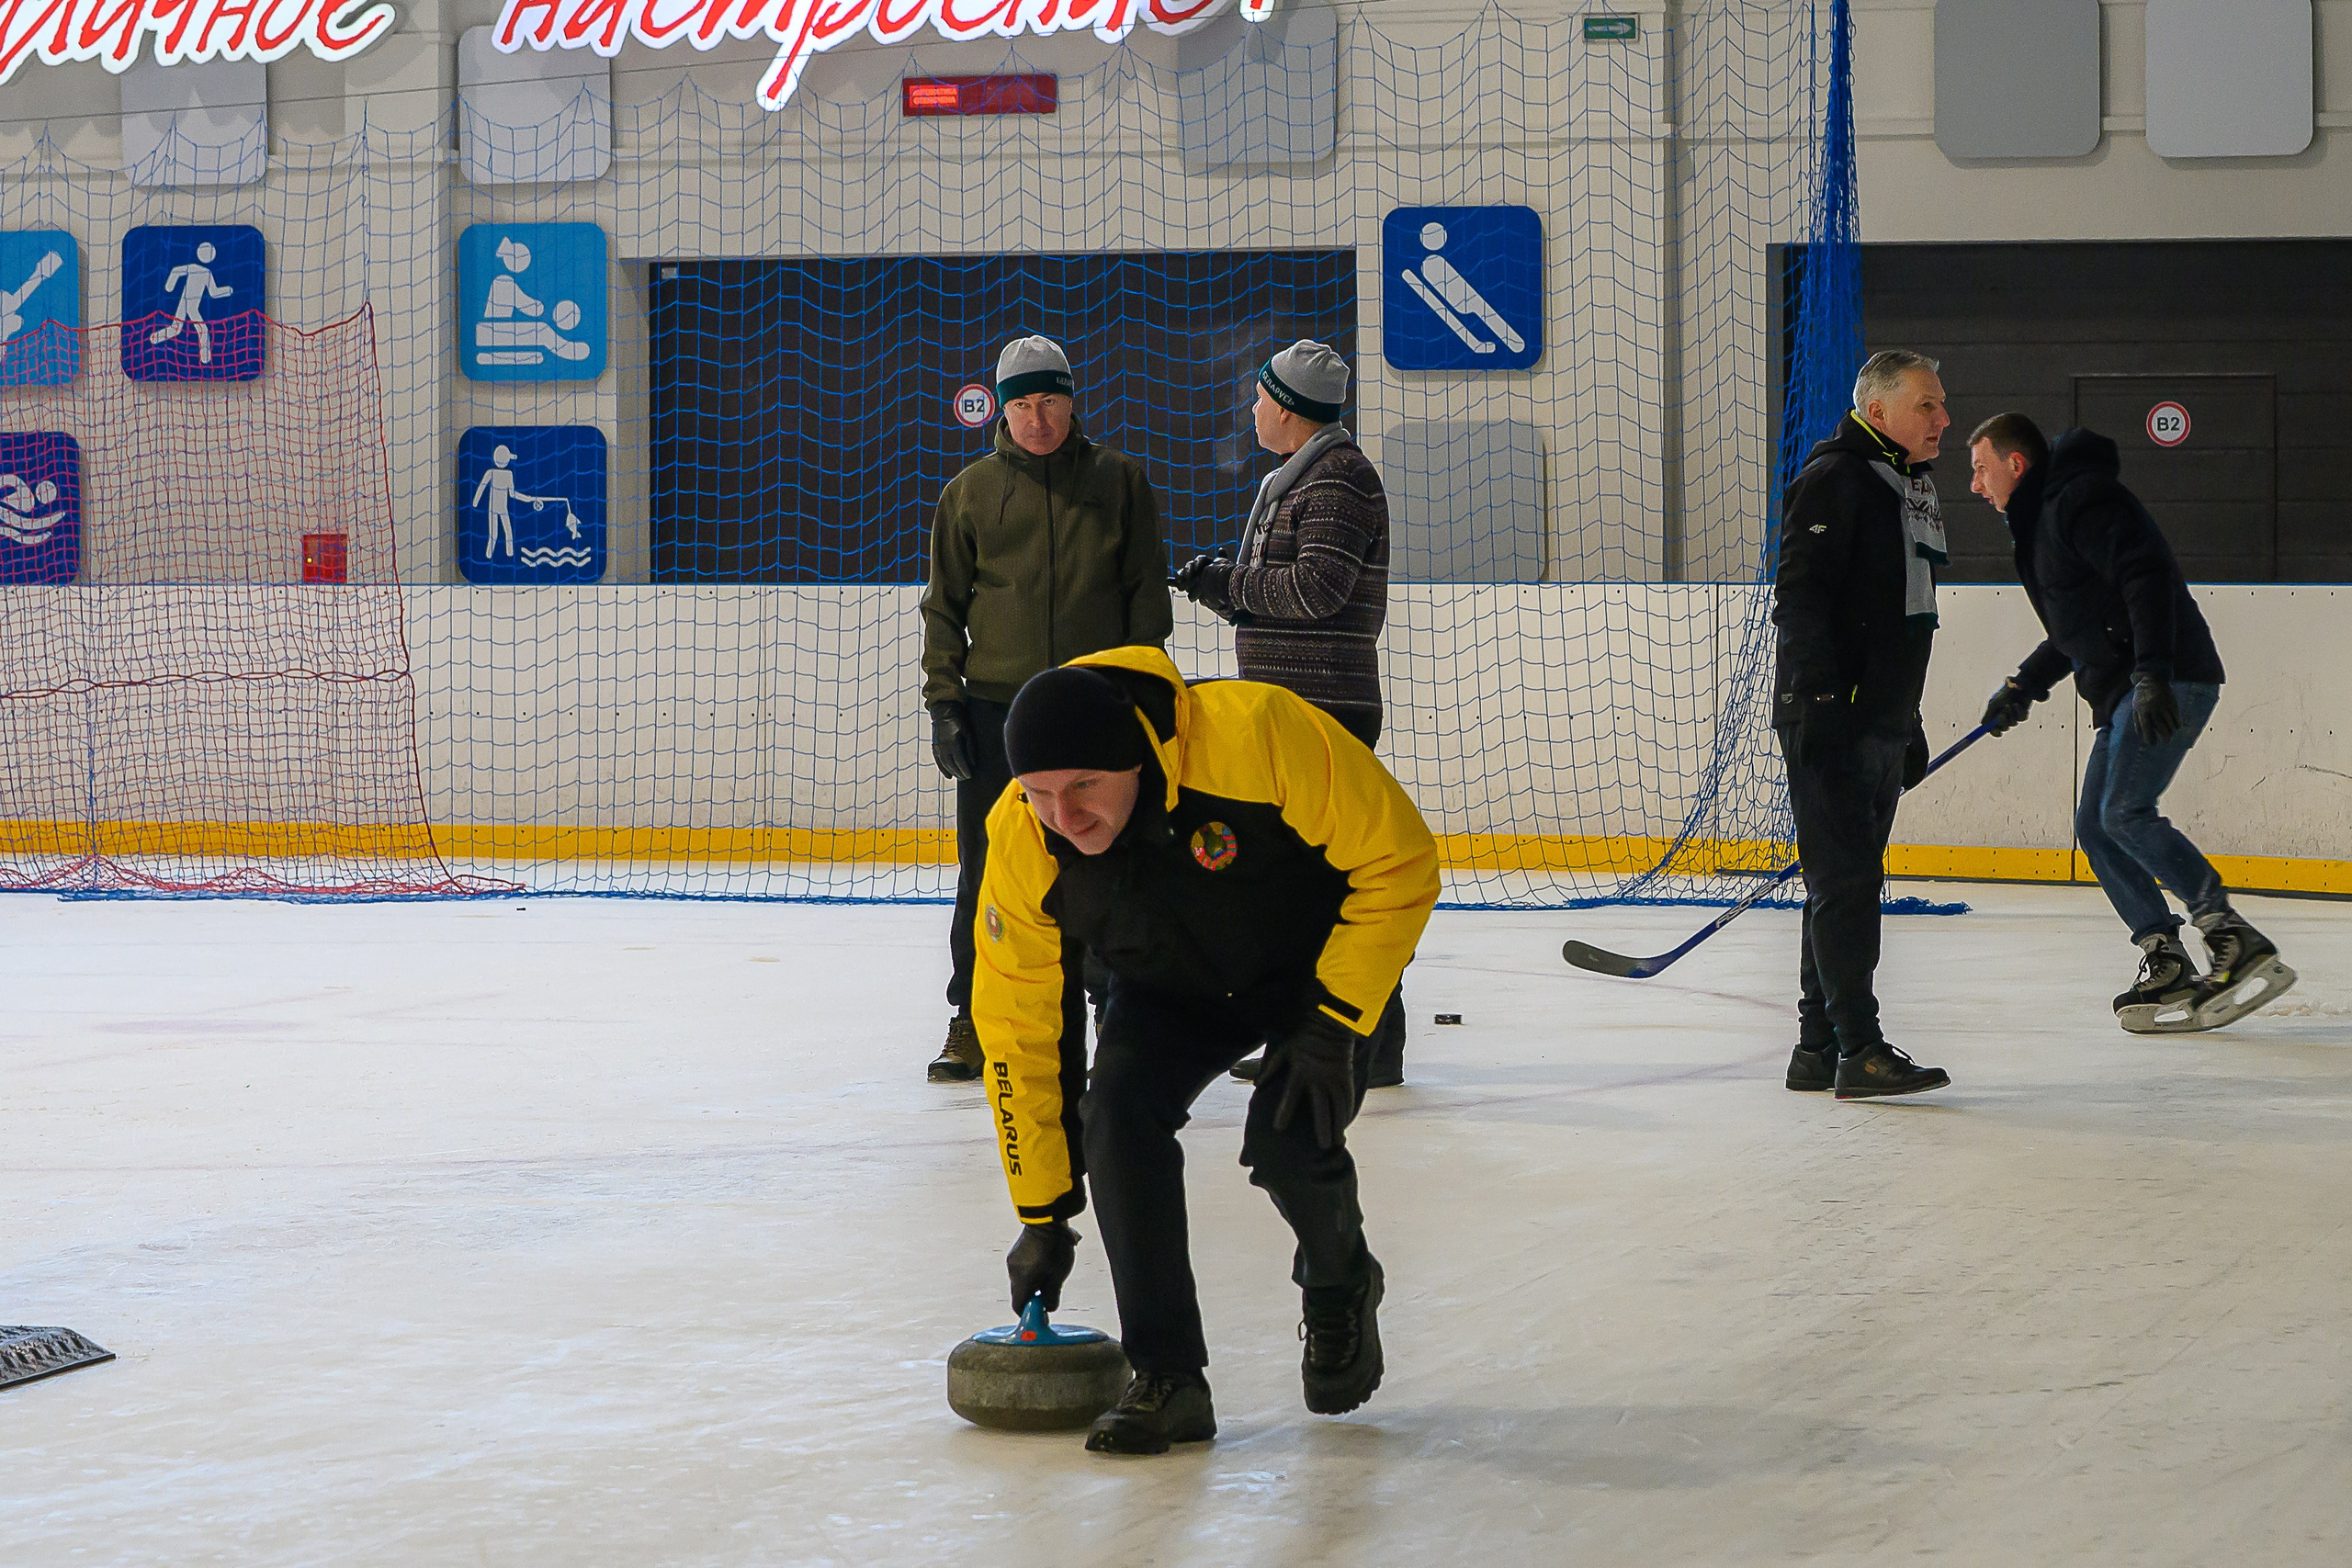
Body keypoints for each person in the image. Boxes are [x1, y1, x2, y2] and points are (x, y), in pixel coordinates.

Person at [972, 645, 1438, 1455]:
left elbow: (1399, 859)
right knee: (1116, 1114)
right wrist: (1042, 1212)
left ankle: (1339, 1281)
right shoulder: (1022, 836)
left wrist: (1334, 1022)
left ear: (1137, 760)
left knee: (1291, 1131)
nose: (1064, 815)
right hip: (1165, 989)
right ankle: (1169, 1378)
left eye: (1084, 785)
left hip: (1309, 973)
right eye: (1039, 792)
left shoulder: (1257, 734)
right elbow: (1019, 1024)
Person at [1965, 413, 2294, 1032]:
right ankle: (2164, 956)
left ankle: (2229, 933)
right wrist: (2023, 686)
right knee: (2096, 822)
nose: (1976, 484)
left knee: (2123, 811)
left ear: (2016, 463)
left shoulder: (2081, 500)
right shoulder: (2042, 526)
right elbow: (2078, 629)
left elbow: (2144, 573)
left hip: (2170, 680)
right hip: (2130, 688)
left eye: (1981, 467)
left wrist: (2152, 673)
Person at [920, 334, 1172, 1083]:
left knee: (1104, 860)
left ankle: (1112, 1007)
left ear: (1072, 399)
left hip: (1098, 706)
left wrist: (1141, 695)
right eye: (1023, 404)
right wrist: (945, 705)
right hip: (998, 712)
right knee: (988, 870)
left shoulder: (1120, 482)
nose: (1038, 419)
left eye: (1050, 401)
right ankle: (970, 1016)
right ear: (1002, 408)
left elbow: (1146, 603)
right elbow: (943, 610)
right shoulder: (968, 493)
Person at [1171, 339, 1408, 1088]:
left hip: (1324, 711)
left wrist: (1228, 584)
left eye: (1260, 396)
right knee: (1303, 886)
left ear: (1289, 408)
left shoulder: (1337, 480)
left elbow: (1316, 589)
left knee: (1334, 882)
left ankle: (1364, 1045)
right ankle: (1318, 1036)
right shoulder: (1300, 479)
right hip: (1294, 709)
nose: (1251, 408)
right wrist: (1228, 583)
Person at [1771, 349, 1952, 1100]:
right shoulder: (1836, 479)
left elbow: (1903, 615)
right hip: (1834, 720)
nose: (1943, 419)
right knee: (1846, 884)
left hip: (1878, 718)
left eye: (1941, 405)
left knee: (1843, 883)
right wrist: (1819, 704)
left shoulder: (1904, 484)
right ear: (1877, 410)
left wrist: (1903, 720)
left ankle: (1818, 1047)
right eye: (1928, 406)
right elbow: (1801, 598)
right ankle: (1859, 1048)